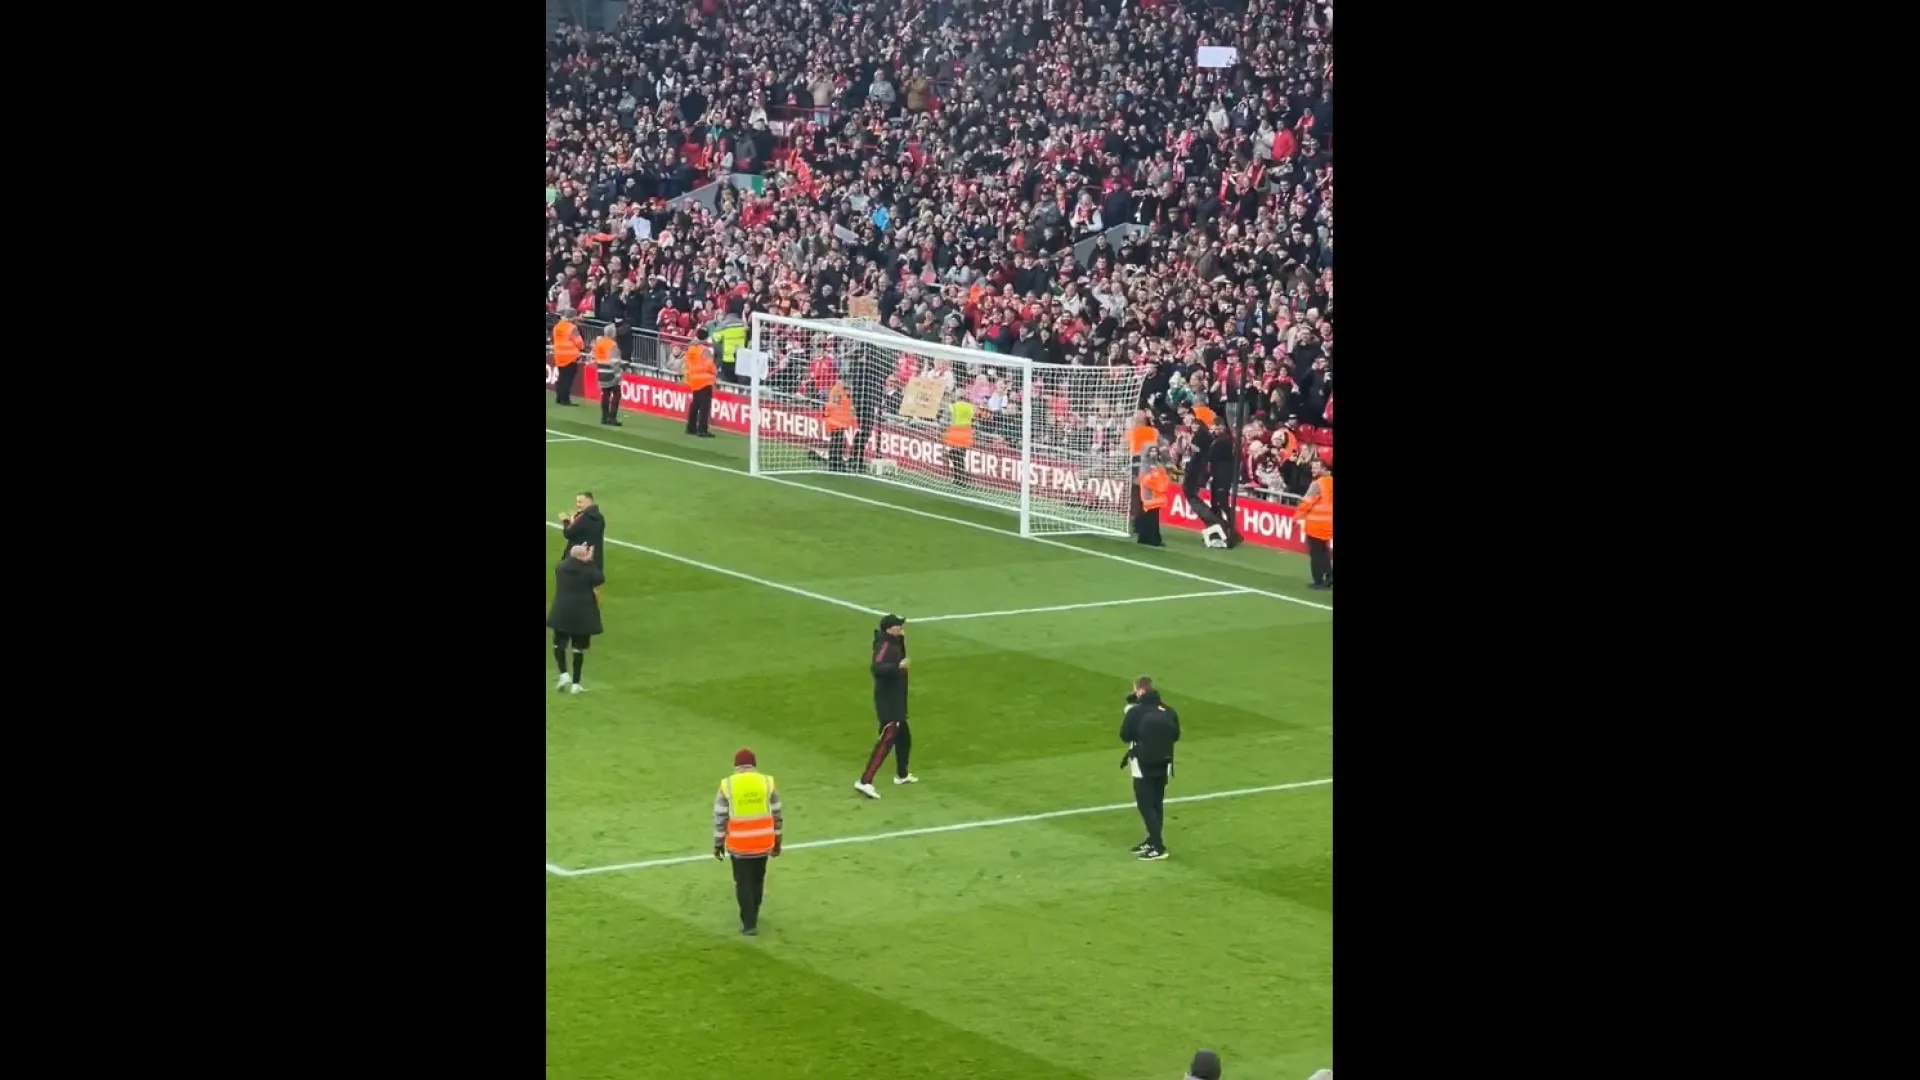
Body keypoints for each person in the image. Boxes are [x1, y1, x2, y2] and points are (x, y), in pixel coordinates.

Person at [713, 747, 783, 936]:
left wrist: (718, 843)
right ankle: (755, 910)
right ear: (754, 765)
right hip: (763, 841)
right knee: (758, 878)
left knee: (743, 882)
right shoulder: (767, 782)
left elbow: (720, 816)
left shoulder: (727, 784)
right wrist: (778, 839)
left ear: (736, 766)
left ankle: (749, 922)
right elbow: (777, 812)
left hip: (739, 844)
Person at [1120, 675, 1180, 860]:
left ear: (1139, 691)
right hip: (1164, 762)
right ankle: (1153, 840)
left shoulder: (1135, 712)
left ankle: (1157, 845)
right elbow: (1175, 735)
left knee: (1145, 804)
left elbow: (1125, 735)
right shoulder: (1168, 710)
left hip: (1142, 763)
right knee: (1156, 803)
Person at [854, 614, 915, 798]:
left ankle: (902, 775)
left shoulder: (894, 642)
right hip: (889, 702)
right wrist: (898, 667)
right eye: (898, 625)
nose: (902, 628)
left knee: (904, 738)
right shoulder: (885, 645)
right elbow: (877, 668)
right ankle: (865, 781)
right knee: (887, 740)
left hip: (897, 699)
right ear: (889, 629)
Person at [548, 543, 604, 694]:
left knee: (558, 643)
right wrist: (590, 561)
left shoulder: (561, 568)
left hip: (562, 611)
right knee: (578, 648)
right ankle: (575, 684)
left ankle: (563, 674)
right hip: (582, 613)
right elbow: (599, 578)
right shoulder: (587, 571)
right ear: (582, 557)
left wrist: (580, 554)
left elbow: (571, 560)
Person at [1199, 414, 1242, 549]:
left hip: (1223, 476)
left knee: (1222, 503)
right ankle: (1218, 530)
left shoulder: (1224, 441)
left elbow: (1210, 456)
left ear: (1222, 427)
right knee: (1216, 505)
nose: (1215, 430)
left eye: (1217, 428)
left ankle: (1231, 531)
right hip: (1217, 475)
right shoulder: (1220, 440)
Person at [1294, 458, 1334, 589]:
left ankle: (1318, 580)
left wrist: (1296, 517)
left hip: (1316, 524)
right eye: (1312, 467)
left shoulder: (1317, 484)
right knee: (1323, 551)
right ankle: (1329, 575)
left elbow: (1307, 502)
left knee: (1316, 553)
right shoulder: (1331, 482)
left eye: (1316, 467)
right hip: (1328, 523)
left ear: (1324, 469)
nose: (1313, 470)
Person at [683, 328, 717, 437]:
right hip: (704, 380)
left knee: (695, 404)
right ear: (706, 338)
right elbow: (709, 366)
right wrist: (715, 373)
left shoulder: (691, 348)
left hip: (694, 379)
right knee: (704, 406)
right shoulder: (704, 350)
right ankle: (702, 429)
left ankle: (691, 427)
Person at [1136, 446, 1171, 547]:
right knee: (1148, 516)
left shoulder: (1158, 464)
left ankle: (1152, 538)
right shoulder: (1145, 464)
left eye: (1155, 451)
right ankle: (1148, 538)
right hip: (1148, 493)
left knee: (1154, 516)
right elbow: (1143, 479)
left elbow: (1163, 477)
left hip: (1157, 494)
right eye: (1152, 451)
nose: (1154, 453)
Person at [592, 326, 625, 426]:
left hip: (601, 371)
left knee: (605, 394)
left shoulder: (599, 343)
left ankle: (604, 417)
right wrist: (618, 376)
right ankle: (612, 417)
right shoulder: (612, 344)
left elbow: (595, 357)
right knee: (617, 394)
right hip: (611, 372)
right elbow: (615, 362)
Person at [942, 393, 975, 487]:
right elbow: (974, 420)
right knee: (960, 458)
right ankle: (961, 479)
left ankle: (958, 478)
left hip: (954, 435)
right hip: (965, 435)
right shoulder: (970, 407)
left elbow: (944, 421)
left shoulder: (953, 407)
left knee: (954, 457)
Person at [551, 316, 584, 407]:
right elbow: (579, 342)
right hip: (570, 356)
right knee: (567, 379)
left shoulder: (557, 327)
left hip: (559, 355)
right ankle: (565, 400)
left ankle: (559, 398)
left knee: (561, 377)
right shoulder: (572, 328)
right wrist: (582, 347)